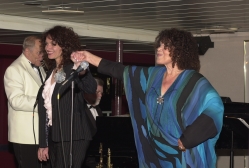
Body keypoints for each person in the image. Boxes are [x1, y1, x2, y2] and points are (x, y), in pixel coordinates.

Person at [72, 28, 224, 168]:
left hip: (184, 156)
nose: (159, 49)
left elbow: (215, 107)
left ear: (179, 50)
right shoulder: (153, 76)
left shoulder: (193, 81)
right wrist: (88, 57)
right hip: (155, 154)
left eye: (165, 46)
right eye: (159, 45)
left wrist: (188, 139)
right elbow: (119, 71)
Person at [37, 25, 97, 168]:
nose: (48, 47)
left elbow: (90, 87)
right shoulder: (50, 72)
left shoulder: (72, 68)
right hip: (54, 135)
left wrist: (82, 70)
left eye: (53, 44)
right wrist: (43, 143)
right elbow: (44, 110)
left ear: (64, 46)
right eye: (46, 44)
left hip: (74, 135)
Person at [4, 36, 48, 168]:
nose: (42, 56)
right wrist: (43, 103)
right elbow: (16, 100)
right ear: (27, 51)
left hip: (40, 135)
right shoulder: (14, 69)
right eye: (39, 53)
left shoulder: (40, 68)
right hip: (25, 136)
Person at [83, 77, 104, 168]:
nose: (100, 95)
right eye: (98, 92)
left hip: (97, 154)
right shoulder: (80, 109)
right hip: (85, 157)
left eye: (101, 93)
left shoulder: (98, 110)